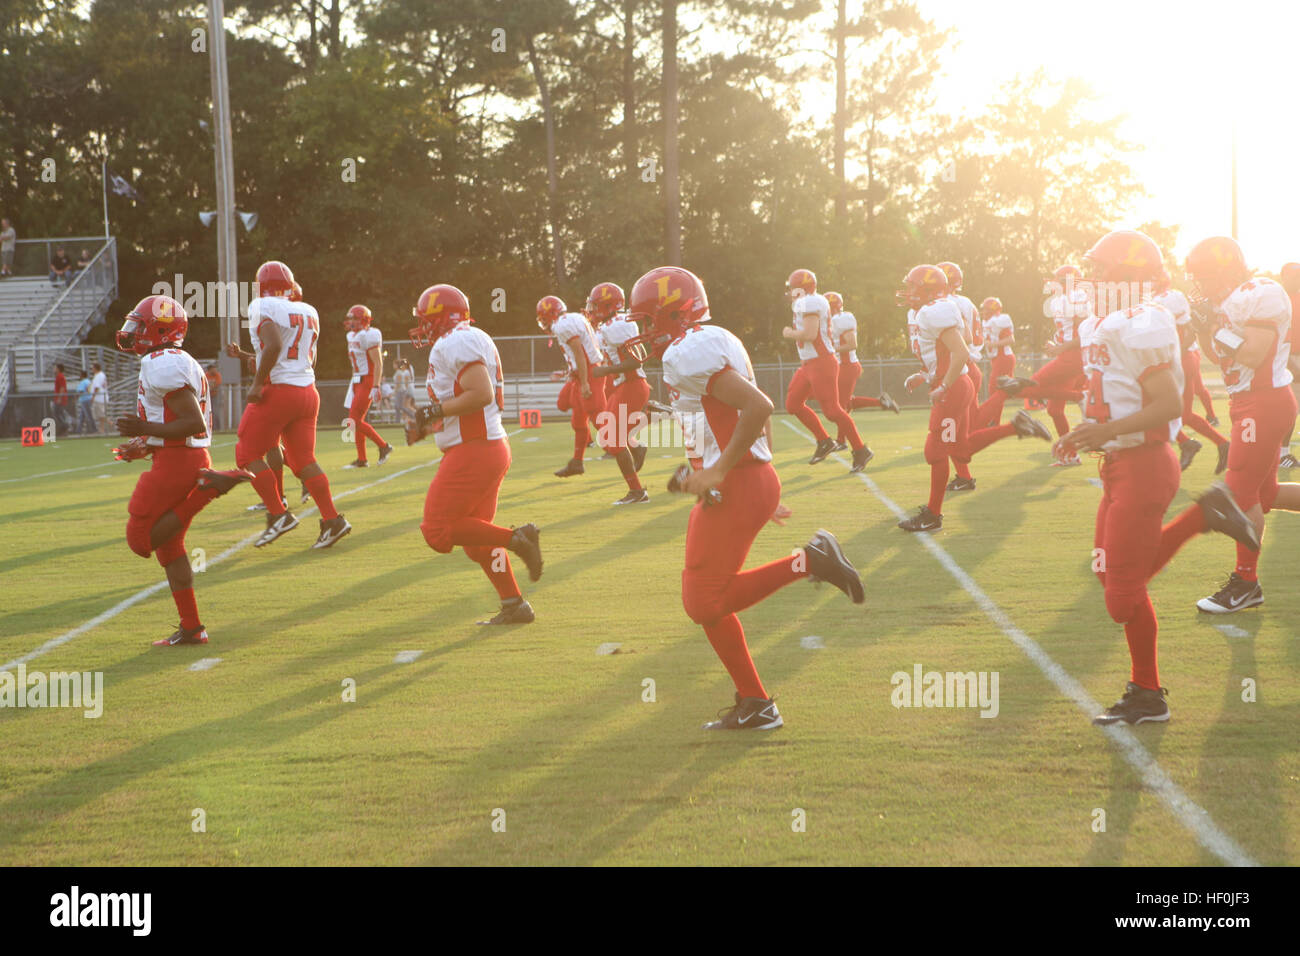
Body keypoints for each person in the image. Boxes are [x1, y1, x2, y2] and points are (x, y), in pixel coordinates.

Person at [628, 265, 865, 731]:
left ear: (672, 313)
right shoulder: (710, 339)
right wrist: (759, 476)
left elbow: (759, 405)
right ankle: (755, 701)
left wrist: (724, 471)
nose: (643, 331)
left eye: (648, 319)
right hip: (741, 483)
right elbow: (745, 412)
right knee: (705, 601)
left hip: (734, 482)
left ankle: (809, 563)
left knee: (704, 603)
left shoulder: (689, 350)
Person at [1054, 231, 1259, 725]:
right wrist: (1092, 431)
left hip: (1144, 467)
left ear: (1125, 275)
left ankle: (1201, 516)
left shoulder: (1140, 322)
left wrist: (1104, 429)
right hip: (1120, 465)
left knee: (1121, 597)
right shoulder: (1113, 322)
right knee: (1113, 576)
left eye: (1100, 269)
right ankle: (1147, 694)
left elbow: (1167, 404)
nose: (1092, 278)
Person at [111, 294, 253, 647]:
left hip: (179, 462)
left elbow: (192, 423)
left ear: (159, 330)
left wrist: (145, 430)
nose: (133, 331)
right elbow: (177, 422)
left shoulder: (161, 362)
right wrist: (144, 445)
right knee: (170, 547)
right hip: (180, 457)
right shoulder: (173, 359)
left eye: (140, 325)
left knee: (140, 540)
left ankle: (208, 490)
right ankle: (192, 628)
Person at [409, 283, 544, 625]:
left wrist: (434, 411)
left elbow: (480, 393)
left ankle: (519, 539)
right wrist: (428, 425)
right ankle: (515, 605)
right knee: (478, 543)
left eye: (427, 320)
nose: (423, 327)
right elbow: (466, 401)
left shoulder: (456, 340)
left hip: (476, 450)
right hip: (486, 447)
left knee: (437, 530)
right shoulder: (467, 337)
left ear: (442, 319)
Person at [1182, 236, 1300, 614]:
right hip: (1246, 401)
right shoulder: (1229, 301)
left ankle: (1246, 583)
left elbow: (1252, 352)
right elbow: (1221, 357)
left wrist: (1213, 327)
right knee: (1263, 497)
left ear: (1224, 270)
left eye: (1203, 275)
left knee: (1234, 495)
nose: (1200, 283)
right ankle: (1247, 583)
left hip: (1263, 401)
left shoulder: (1262, 291)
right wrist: (1204, 328)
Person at [898, 265, 1050, 531]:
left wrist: (943, 385)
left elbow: (959, 351)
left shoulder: (933, 311)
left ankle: (932, 516)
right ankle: (1015, 426)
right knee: (961, 450)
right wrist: (924, 374)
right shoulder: (944, 306)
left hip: (953, 387)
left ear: (928, 288)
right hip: (958, 382)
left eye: (913, 285)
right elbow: (958, 341)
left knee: (935, 451)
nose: (909, 290)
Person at [237, 260, 350, 549]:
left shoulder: (261, 305)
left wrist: (258, 382)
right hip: (308, 391)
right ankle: (332, 520)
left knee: (246, 452)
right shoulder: (308, 310)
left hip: (280, 390)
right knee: (303, 461)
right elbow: (307, 356)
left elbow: (273, 345)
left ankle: (279, 515)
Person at [782, 269, 873, 472]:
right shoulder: (810, 301)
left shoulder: (810, 302)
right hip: (809, 363)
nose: (790, 292)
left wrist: (789, 333)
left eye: (793, 287)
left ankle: (860, 450)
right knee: (793, 404)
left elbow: (810, 333)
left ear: (802, 288)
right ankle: (824, 441)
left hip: (821, 362)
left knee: (833, 411)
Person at [588, 281, 651, 504]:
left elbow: (635, 362)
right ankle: (638, 446)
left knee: (612, 440)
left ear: (607, 306)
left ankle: (637, 492)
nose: (593, 310)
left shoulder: (616, 326)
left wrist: (608, 369)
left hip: (631, 385)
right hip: (623, 386)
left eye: (596, 305)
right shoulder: (613, 324)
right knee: (609, 438)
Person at [538, 295, 608, 477]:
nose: (543, 322)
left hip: (589, 373)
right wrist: (570, 373)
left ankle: (633, 447)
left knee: (599, 420)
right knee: (575, 417)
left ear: (551, 314)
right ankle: (577, 462)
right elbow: (579, 354)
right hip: (583, 373)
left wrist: (584, 382)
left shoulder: (563, 325)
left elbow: (580, 353)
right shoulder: (574, 318)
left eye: (544, 318)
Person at [826, 291, 898, 454]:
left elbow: (852, 344)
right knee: (845, 403)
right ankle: (881, 403)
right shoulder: (831, 322)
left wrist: (829, 350)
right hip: (841, 367)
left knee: (840, 407)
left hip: (847, 367)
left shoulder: (841, 319)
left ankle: (843, 441)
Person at [90, 362, 109, 434]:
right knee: (100, 416)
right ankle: (101, 430)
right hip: (100, 398)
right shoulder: (100, 375)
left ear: (95, 368)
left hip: (100, 398)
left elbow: (97, 388)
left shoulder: (99, 375)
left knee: (101, 415)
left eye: (92, 368)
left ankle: (111, 423)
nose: (92, 369)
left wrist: (93, 396)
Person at [52, 363, 71, 433]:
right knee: (57, 413)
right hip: (58, 398)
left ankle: (65, 427)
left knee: (58, 413)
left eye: (55, 368)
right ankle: (63, 427)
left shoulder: (60, 376)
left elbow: (62, 388)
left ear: (58, 369)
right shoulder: (58, 376)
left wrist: (59, 398)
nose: (54, 369)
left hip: (61, 399)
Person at [75, 370, 93, 434]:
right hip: (88, 399)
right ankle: (79, 430)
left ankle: (92, 429)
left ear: (82, 375)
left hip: (84, 400)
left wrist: (76, 397)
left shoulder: (83, 382)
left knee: (88, 415)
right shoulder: (88, 381)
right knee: (82, 416)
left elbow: (81, 391)